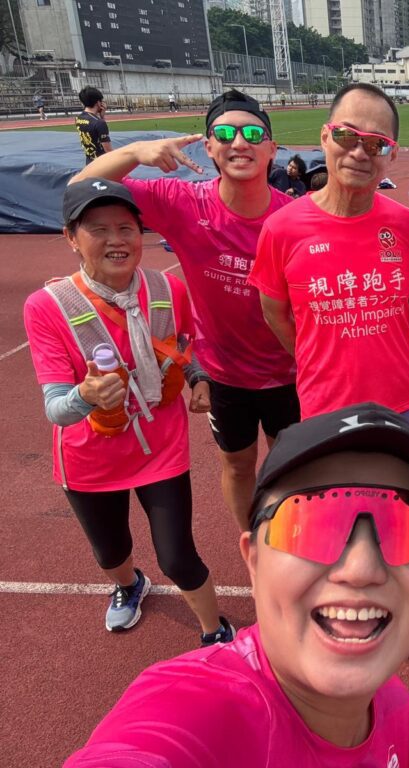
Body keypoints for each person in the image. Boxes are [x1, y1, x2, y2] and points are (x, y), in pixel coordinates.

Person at [65, 402, 409, 766]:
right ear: (253, 562)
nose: (360, 569)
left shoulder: (399, 714)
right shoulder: (193, 713)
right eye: (311, 525)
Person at [70, 90, 300, 533]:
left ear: (272, 149)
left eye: (253, 134)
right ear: (208, 147)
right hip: (224, 373)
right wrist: (135, 152)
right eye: (225, 134)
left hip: (290, 370)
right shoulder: (183, 202)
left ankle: (289, 542)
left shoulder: (293, 217)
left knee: (290, 467)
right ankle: (252, 542)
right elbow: (80, 188)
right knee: (238, 465)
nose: (239, 143)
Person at [23, 180, 233, 646]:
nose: (115, 240)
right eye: (98, 229)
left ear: (140, 234)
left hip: (161, 443)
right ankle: (129, 584)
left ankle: (215, 634)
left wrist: (199, 379)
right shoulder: (48, 307)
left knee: (178, 557)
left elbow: (184, 346)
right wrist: (86, 395)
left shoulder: (167, 288)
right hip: (90, 455)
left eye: (126, 228)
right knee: (110, 551)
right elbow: (57, 409)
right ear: (71, 237)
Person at [250, 83, 409, 429]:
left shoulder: (408, 226)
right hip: (325, 405)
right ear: (324, 137)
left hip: (401, 401)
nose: (360, 153)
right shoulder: (281, 229)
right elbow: (274, 313)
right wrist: (316, 356)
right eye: (346, 135)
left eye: (376, 143)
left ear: (392, 154)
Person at [75, 87, 111, 164]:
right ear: (98, 103)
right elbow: (108, 151)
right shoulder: (99, 123)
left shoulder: (78, 118)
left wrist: (101, 116)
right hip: (102, 164)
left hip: (89, 161)